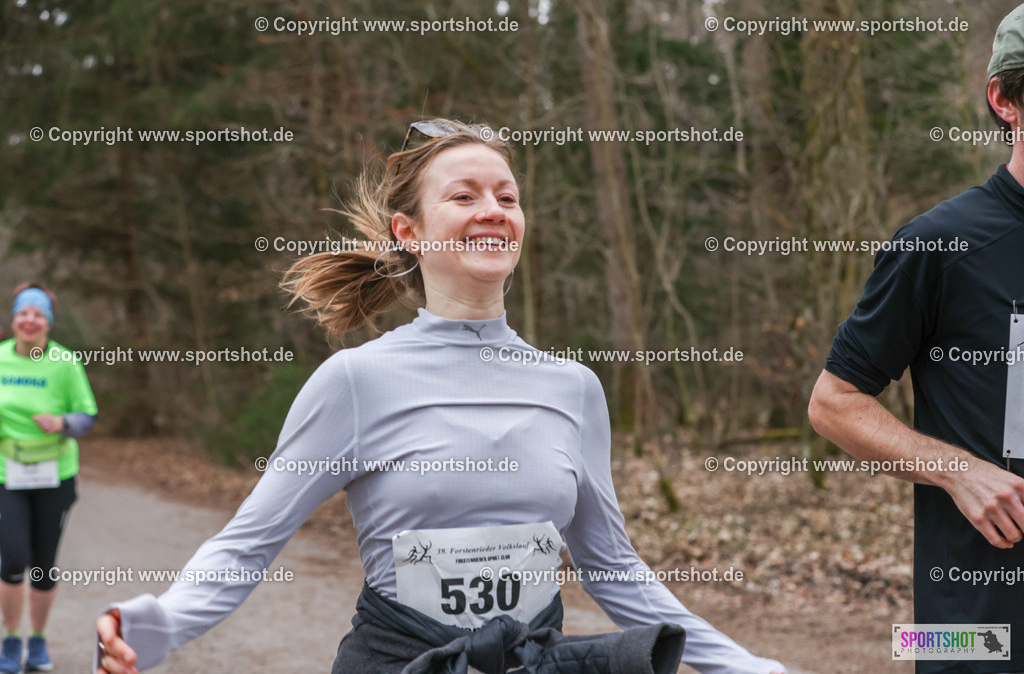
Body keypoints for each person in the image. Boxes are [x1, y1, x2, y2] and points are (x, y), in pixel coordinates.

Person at [95, 119, 786, 673]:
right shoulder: (355, 382)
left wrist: (748, 667)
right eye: (464, 196)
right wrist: (154, 625)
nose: (493, 210)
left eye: (507, 197)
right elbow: (248, 543)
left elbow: (613, 570)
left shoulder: (573, 387)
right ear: (409, 231)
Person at [809, 4, 1024, 674]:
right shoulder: (940, 244)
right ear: (1006, 99)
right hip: (975, 636)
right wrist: (959, 470)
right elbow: (833, 401)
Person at [0, 283, 98, 673]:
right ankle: (10, 641)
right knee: (13, 559)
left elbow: (87, 416)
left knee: (43, 563)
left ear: (48, 322)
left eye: (38, 314)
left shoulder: (64, 362)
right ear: (13, 318)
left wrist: (61, 422)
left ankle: (37, 641)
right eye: (23, 313)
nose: (29, 320)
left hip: (55, 476)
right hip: (7, 474)